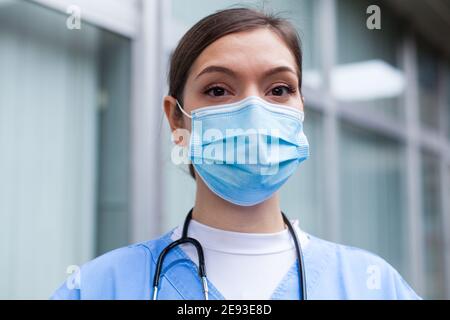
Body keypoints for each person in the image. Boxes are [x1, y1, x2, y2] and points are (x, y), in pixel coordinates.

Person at [51, 7, 420, 300]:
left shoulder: (373, 286)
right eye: (217, 90)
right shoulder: (100, 287)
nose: (254, 112)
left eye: (279, 89)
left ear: (301, 110)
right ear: (176, 118)